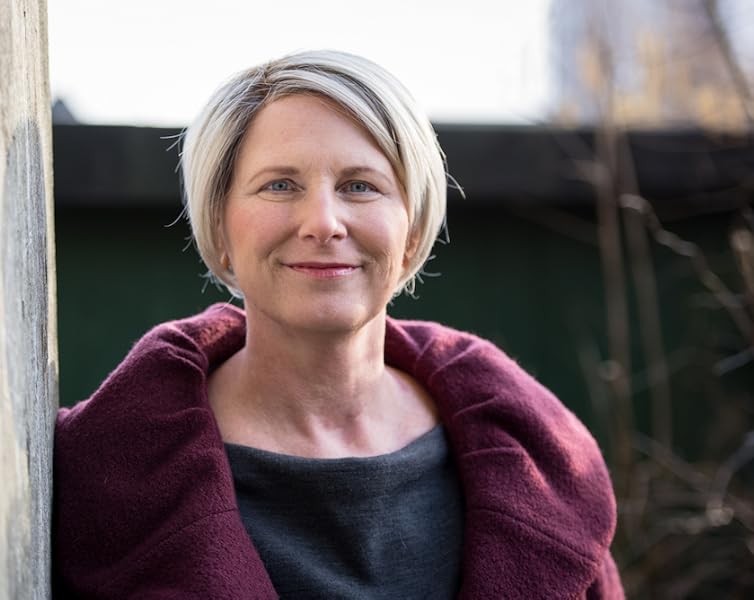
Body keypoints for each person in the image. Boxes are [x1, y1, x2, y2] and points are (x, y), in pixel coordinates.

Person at [52, 50, 624, 599]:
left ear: (411, 232)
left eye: (360, 186)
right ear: (220, 228)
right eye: (280, 185)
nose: (323, 222)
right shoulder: (97, 477)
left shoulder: (541, 465)